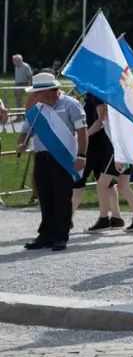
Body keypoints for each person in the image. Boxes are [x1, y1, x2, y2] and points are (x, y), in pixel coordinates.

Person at [17, 73, 87, 251]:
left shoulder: (71, 104)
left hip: (62, 158)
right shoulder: (38, 108)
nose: (34, 96)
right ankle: (45, 235)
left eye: (36, 93)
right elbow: (26, 129)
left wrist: (81, 155)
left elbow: (82, 131)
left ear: (49, 91)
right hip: (41, 157)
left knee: (62, 197)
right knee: (45, 196)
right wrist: (21, 142)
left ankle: (60, 236)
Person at [81, 93, 133, 232]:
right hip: (123, 147)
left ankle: (104, 219)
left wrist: (82, 136)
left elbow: (100, 121)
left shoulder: (103, 97)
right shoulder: (121, 99)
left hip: (117, 149)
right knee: (123, 185)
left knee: (102, 185)